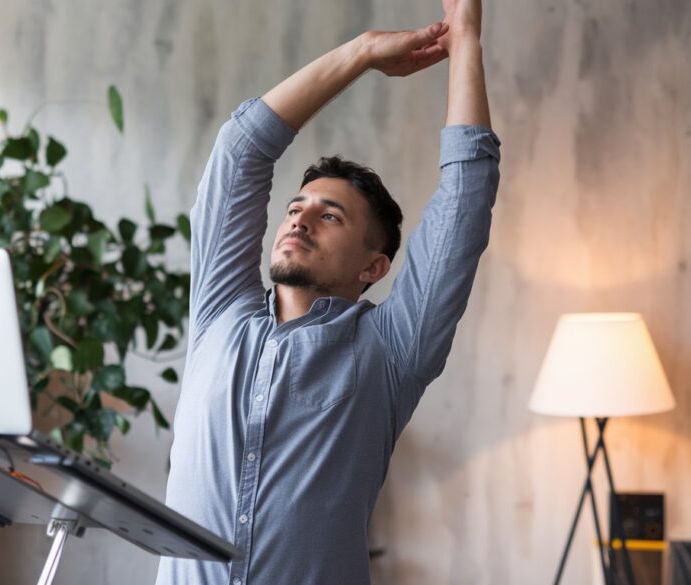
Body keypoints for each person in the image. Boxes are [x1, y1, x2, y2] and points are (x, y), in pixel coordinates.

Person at [156, 0, 500, 582]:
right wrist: (362, 51)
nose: (298, 220)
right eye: (296, 207)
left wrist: (464, 38)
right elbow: (242, 151)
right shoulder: (218, 313)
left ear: (374, 266)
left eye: (330, 216)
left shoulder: (392, 350)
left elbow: (466, 196)